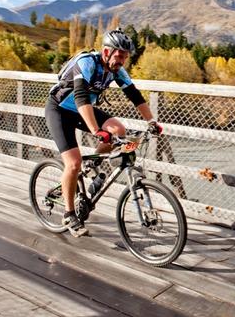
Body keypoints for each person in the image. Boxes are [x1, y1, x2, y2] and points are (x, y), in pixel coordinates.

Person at [45, 28, 162, 237]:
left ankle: (91, 164)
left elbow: (135, 96)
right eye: (119, 55)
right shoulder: (87, 63)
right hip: (60, 110)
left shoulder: (117, 70)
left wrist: (151, 121)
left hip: (83, 110)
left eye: (125, 56)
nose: (122, 60)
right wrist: (97, 131)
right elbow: (81, 96)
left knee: (119, 130)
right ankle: (69, 214)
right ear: (106, 52)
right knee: (72, 163)